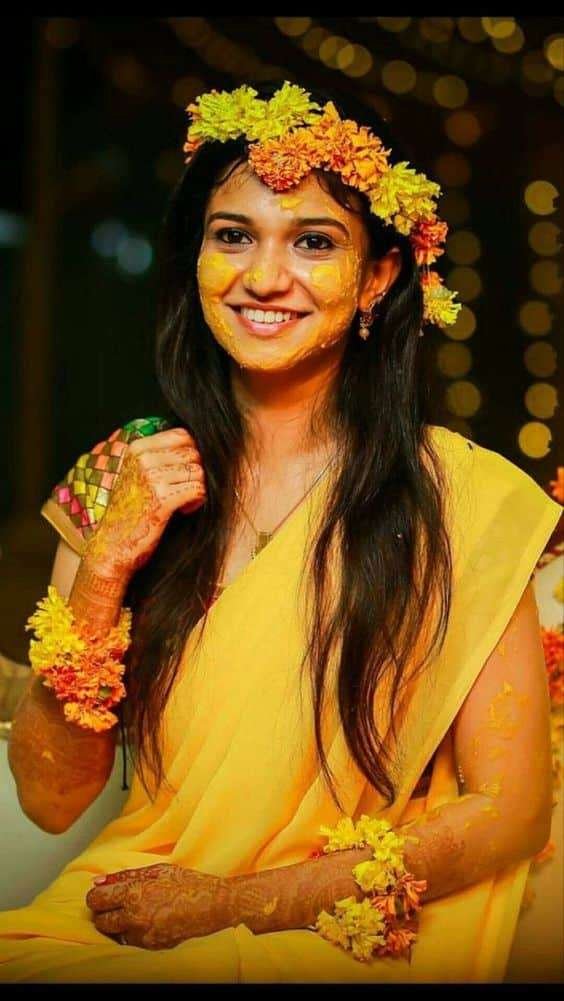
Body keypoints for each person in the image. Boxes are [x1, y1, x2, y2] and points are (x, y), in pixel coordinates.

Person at [1, 80, 562, 984]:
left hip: (340, 927)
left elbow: (512, 810)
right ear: (195, 256)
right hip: (123, 910)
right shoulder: (126, 475)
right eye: (233, 235)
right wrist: (104, 568)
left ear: (379, 276)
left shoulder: (461, 497)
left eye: (313, 241)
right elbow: (50, 798)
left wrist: (231, 906)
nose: (264, 276)